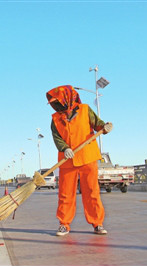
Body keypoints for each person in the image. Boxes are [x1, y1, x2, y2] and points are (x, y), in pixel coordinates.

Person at [46, 85, 113, 236]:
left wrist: (105, 126)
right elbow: (57, 138)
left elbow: (98, 125)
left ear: (67, 99)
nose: (56, 106)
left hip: (87, 157)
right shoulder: (55, 119)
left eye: (58, 102)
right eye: (53, 103)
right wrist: (64, 148)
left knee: (91, 192)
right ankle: (64, 224)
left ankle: (97, 223)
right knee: (65, 194)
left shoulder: (85, 110)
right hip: (67, 160)